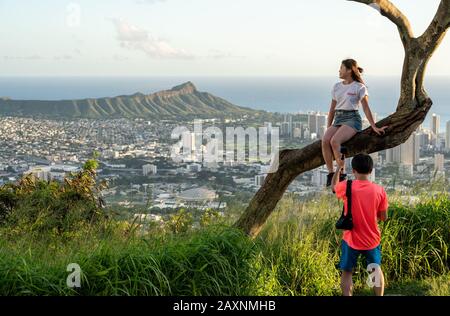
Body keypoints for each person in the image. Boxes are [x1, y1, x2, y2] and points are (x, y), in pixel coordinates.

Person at [322, 59, 388, 187]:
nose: (339, 70)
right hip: (339, 118)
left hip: (352, 119)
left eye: (341, 68)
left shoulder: (359, 87)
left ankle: (341, 172)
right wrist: (329, 127)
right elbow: (332, 109)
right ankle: (331, 173)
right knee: (325, 139)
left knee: (335, 141)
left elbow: (366, 108)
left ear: (349, 70)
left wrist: (373, 126)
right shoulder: (336, 87)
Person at [331, 153, 389, 296]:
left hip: (351, 239)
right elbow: (383, 217)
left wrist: (339, 168)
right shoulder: (379, 190)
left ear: (354, 170)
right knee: (375, 269)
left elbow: (333, 187)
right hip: (372, 238)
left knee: (347, 271)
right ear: (371, 170)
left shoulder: (346, 186)